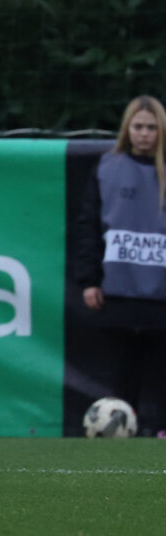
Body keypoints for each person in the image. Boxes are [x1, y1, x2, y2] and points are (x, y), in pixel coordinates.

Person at [76, 95, 166, 437]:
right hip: (119, 287)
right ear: (127, 129)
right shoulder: (108, 168)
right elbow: (89, 227)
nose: (145, 134)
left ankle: (162, 430)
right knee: (124, 367)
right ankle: (120, 430)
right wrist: (89, 280)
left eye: (152, 128)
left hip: (160, 290)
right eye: (138, 126)